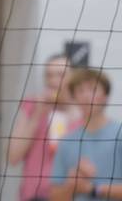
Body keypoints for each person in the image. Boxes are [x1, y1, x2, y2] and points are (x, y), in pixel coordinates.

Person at [9, 54, 81, 200]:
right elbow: (13, 157)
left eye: (60, 75)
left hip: (69, 195)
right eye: (49, 75)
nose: (53, 81)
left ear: (74, 78)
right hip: (33, 195)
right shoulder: (32, 105)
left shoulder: (85, 113)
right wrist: (37, 115)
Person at [50, 68, 122, 200]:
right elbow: (55, 197)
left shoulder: (119, 134)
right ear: (74, 98)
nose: (86, 95)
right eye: (80, 90)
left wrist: (92, 189)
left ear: (105, 96)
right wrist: (72, 184)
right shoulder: (67, 141)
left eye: (92, 89)